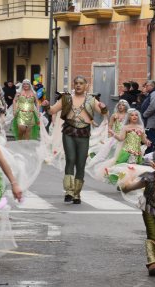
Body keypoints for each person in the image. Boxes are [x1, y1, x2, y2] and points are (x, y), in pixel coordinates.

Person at [42, 76, 107, 204]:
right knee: (70, 159)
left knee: (81, 163)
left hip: (84, 132)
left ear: (86, 85)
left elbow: (103, 113)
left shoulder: (91, 100)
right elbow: (52, 111)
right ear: (74, 84)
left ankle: (77, 193)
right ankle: (69, 191)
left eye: (81, 83)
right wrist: (46, 106)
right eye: (76, 83)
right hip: (69, 131)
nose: (78, 85)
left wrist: (104, 107)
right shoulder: (66, 98)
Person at [141, 80, 155, 154]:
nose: (145, 87)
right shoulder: (150, 94)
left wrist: (144, 114)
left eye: (147, 86)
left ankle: (150, 155)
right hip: (147, 121)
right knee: (147, 138)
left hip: (151, 122)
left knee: (151, 139)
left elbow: (153, 106)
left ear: (152, 86)